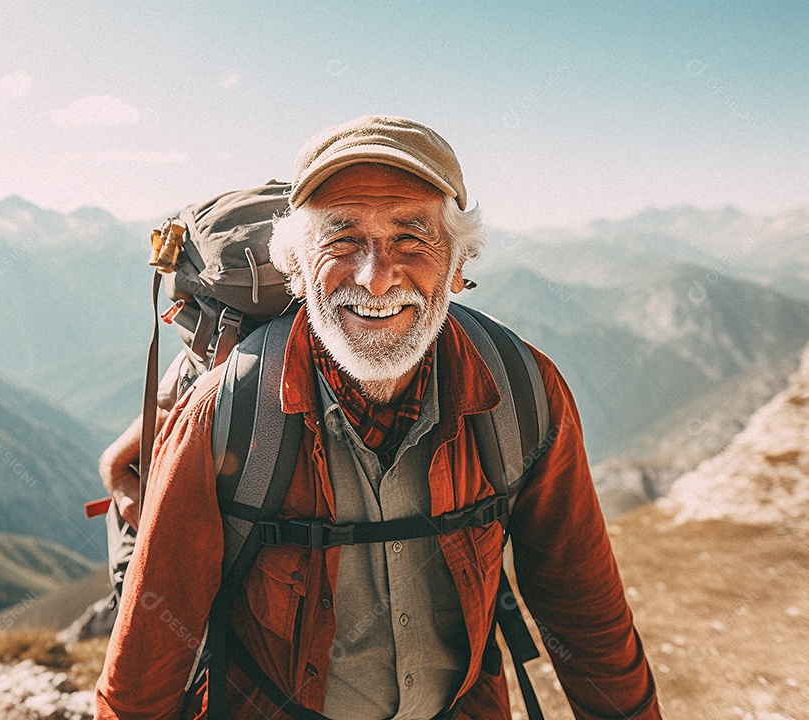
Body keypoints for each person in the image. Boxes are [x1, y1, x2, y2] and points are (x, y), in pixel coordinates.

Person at [95, 116, 662, 719]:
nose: (375, 276)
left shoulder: (522, 393)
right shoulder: (226, 413)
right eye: (341, 239)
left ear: (459, 263)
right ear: (297, 265)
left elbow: (584, 611)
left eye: (411, 238)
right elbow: (147, 662)